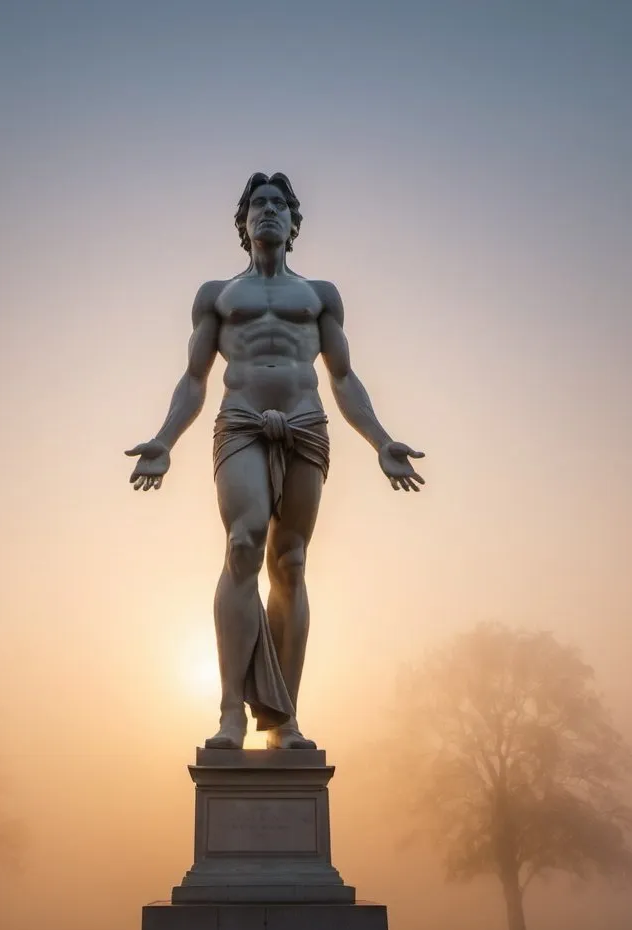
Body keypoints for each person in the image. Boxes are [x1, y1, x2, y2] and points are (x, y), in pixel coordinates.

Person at [126, 172, 424, 750]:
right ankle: (231, 713)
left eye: (279, 205)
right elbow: (194, 378)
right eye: (258, 204)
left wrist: (380, 440)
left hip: (306, 426)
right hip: (239, 424)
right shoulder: (218, 294)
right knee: (244, 542)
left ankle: (284, 719)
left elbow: (342, 377)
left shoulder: (320, 295)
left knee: (290, 563)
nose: (268, 211)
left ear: (293, 223)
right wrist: (165, 439)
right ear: (244, 223)